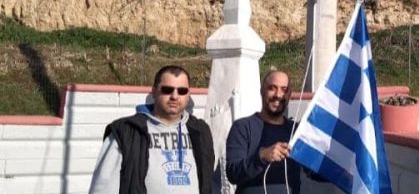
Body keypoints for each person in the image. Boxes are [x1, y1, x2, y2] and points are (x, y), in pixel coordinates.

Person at [89, 65, 214, 194]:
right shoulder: (126, 131)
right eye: (167, 90)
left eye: (182, 91)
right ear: (154, 92)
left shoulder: (201, 131)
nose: (175, 96)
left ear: (188, 95)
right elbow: (102, 186)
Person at [226, 70, 302, 194]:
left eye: (284, 90)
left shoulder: (297, 131)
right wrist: (261, 156)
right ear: (262, 91)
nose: (278, 95)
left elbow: (315, 171)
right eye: (272, 88)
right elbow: (233, 173)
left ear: (289, 95)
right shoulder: (243, 127)